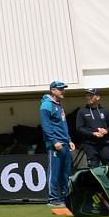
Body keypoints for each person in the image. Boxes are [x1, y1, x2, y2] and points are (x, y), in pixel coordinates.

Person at [39, 80, 73, 209]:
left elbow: (63, 125)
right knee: (54, 173)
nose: (62, 91)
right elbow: (46, 126)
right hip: (56, 144)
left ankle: (65, 198)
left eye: (63, 89)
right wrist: (54, 141)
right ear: (53, 90)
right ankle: (53, 199)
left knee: (66, 173)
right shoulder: (46, 105)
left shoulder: (58, 104)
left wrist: (69, 140)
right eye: (60, 89)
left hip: (64, 142)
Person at [72, 89, 109, 170]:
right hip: (90, 146)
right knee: (93, 169)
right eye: (87, 96)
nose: (88, 97)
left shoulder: (105, 111)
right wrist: (92, 133)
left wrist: (106, 131)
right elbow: (79, 128)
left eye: (91, 95)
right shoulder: (82, 112)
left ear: (98, 97)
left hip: (105, 145)